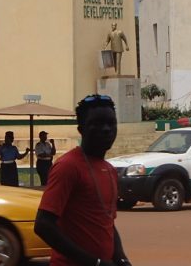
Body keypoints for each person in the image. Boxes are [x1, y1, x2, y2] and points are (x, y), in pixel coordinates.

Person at [34, 94, 132, 266]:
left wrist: (121, 258)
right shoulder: (68, 166)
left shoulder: (109, 170)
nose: (107, 129)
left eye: (111, 123)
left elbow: (107, 223)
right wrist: (94, 263)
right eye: (98, 124)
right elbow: (43, 225)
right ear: (81, 129)